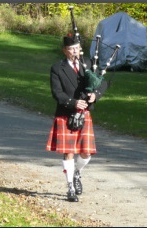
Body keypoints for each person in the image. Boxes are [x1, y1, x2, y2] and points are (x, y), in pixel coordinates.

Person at [47, 35, 109, 202]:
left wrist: (95, 95)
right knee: (69, 153)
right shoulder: (57, 68)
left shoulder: (88, 64)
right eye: (70, 49)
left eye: (76, 48)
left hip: (84, 114)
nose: (74, 52)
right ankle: (70, 188)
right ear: (64, 51)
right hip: (66, 114)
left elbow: (102, 82)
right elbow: (56, 93)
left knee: (86, 153)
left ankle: (76, 172)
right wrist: (73, 103)